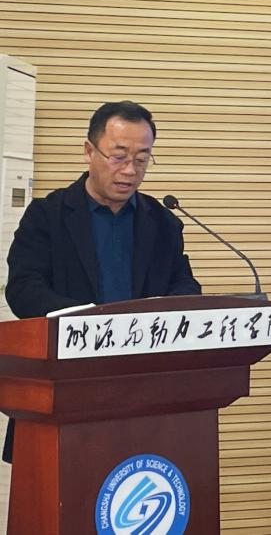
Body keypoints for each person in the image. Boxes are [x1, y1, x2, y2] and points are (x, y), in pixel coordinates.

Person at [3, 100, 202, 462]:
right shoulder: (47, 216)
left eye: (142, 159)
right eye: (118, 156)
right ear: (89, 151)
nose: (130, 170)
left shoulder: (162, 222)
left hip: (147, 395)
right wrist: (90, 323)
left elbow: (185, 287)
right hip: (66, 390)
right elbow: (24, 289)